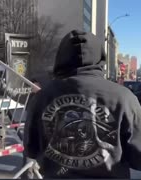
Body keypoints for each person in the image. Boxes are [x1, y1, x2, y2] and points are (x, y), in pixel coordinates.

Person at [23, 30, 141, 179]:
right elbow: (137, 158)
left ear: (61, 58)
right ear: (100, 57)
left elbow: (31, 149)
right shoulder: (125, 98)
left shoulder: (41, 97)